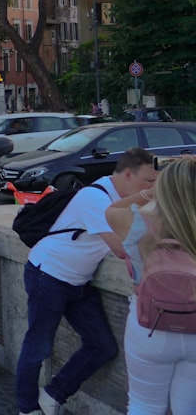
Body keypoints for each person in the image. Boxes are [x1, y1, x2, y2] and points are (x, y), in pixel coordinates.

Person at [15, 147, 155, 415]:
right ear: (128, 174)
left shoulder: (120, 201)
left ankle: (53, 394)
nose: (150, 188)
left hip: (78, 281)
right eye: (147, 181)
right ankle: (27, 408)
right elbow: (121, 247)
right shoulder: (94, 197)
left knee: (102, 346)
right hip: (49, 275)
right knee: (38, 346)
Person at [106, 156, 196, 415]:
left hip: (149, 325)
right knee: (188, 408)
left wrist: (150, 192)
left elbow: (111, 210)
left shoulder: (137, 220)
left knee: (144, 405)